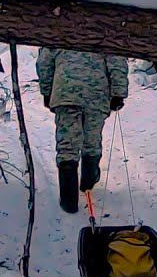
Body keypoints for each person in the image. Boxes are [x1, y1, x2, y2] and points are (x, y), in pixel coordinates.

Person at [37, 48, 128, 213]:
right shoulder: (103, 26)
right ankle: (89, 181)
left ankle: (68, 201)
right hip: (97, 93)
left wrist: (47, 90)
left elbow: (44, 61)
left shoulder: (57, 26)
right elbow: (117, 59)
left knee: (67, 146)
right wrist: (118, 92)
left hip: (65, 90)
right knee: (92, 139)